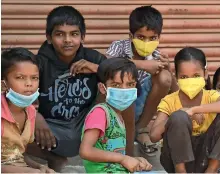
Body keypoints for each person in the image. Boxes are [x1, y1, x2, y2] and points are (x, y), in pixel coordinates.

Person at [25, 6, 107, 172]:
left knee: (124, 93)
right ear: (49, 37)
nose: (67, 40)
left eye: (74, 34)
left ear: (82, 36)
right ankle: (52, 158)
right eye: (60, 34)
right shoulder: (38, 63)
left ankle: (127, 154)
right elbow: (13, 93)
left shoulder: (93, 58)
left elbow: (125, 79)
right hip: (50, 128)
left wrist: (97, 68)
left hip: (86, 124)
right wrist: (36, 116)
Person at [150, 47, 220, 173]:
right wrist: (180, 113)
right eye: (184, 77)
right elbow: (153, 136)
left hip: (205, 157)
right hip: (175, 160)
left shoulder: (210, 96)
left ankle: (211, 170)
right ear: (176, 76)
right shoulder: (169, 101)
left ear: (205, 74)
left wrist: (194, 110)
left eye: (196, 76)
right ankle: (181, 171)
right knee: (178, 117)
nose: (190, 81)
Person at [106, 5, 178, 156]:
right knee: (127, 83)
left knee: (164, 77)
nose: (146, 42)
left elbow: (176, 93)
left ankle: (140, 128)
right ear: (131, 36)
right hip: (118, 106)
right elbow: (106, 66)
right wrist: (143, 65)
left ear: (159, 37)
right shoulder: (118, 47)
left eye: (152, 38)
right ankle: (122, 132)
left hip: (140, 109)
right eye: (141, 37)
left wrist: (169, 70)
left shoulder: (158, 56)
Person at [79, 58, 152, 173]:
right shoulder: (100, 113)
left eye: (130, 84)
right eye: (116, 85)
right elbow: (86, 151)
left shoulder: (118, 114)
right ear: (102, 88)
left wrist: (134, 161)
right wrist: (123, 158)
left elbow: (114, 155)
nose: (124, 90)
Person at [1, 48, 55, 173]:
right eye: (20, 77)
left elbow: (17, 155)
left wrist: (39, 167)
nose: (29, 84)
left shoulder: (30, 112)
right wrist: (27, 172)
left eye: (34, 78)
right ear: (4, 84)